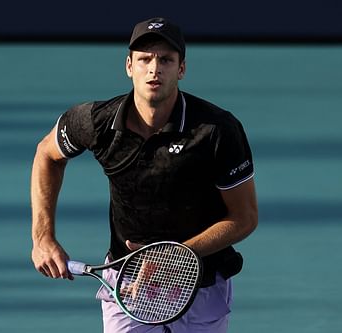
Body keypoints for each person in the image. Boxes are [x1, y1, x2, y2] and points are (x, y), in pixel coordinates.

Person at [31, 17, 258, 333]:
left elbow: (244, 217)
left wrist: (171, 258)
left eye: (165, 59)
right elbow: (47, 154)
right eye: (144, 59)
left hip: (201, 284)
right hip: (127, 282)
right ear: (129, 66)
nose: (154, 68)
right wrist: (42, 237)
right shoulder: (96, 122)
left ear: (181, 69)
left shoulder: (217, 131)